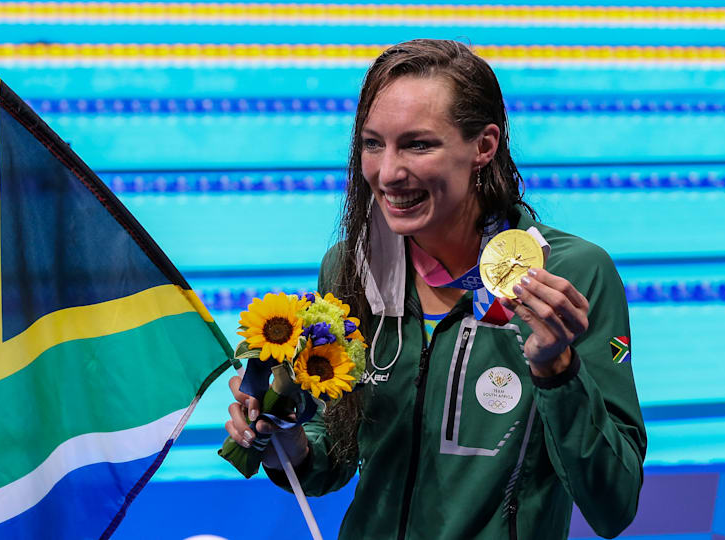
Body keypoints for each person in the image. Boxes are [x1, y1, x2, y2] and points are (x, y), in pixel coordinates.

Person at [225, 39, 646, 539]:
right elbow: (334, 457)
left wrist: (557, 370)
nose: (387, 173)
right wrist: (288, 433)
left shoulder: (570, 276)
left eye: (418, 144)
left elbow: (613, 504)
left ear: (483, 147)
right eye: (373, 143)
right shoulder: (353, 266)